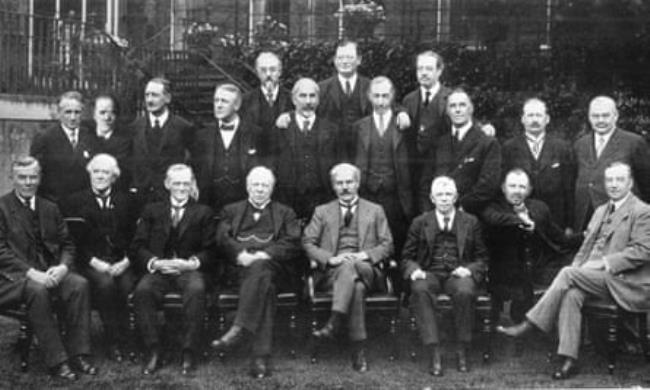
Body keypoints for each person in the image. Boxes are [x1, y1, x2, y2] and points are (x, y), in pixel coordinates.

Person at [497, 162, 650, 380]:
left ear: (631, 183)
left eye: (619, 180)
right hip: (597, 279)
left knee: (568, 274)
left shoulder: (642, 212)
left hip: (626, 282)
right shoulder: (600, 211)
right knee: (571, 293)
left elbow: (643, 251)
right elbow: (584, 249)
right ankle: (569, 359)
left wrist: (603, 262)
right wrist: (580, 267)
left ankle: (528, 324)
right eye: (609, 180)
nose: (614, 185)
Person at [0, 155, 97, 380]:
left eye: (33, 177)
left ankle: (80, 353)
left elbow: (67, 244)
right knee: (37, 289)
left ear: (40, 178)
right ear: (12, 178)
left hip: (49, 272)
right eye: (22, 177)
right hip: (10, 280)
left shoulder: (49, 208)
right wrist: (32, 273)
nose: (28, 182)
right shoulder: (2, 208)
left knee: (78, 284)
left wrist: (63, 267)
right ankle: (58, 361)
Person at [211, 166, 302, 378]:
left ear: (272, 188)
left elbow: (293, 243)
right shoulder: (230, 210)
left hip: (274, 268)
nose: (260, 189)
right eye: (256, 185)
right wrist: (240, 254)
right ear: (247, 186)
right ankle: (260, 357)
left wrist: (266, 254)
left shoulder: (285, 212)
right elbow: (221, 239)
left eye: (265, 185)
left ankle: (239, 328)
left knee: (263, 271)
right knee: (265, 287)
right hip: (238, 269)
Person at [302, 163, 393, 372]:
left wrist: (365, 255)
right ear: (333, 186)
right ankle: (358, 349)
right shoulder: (322, 211)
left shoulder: (375, 210)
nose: (345, 187)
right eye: (340, 183)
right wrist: (329, 258)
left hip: (367, 269)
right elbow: (307, 242)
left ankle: (334, 322)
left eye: (349, 182)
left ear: (358, 183)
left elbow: (388, 244)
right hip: (332, 272)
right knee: (356, 287)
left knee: (352, 266)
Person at [130, 164, 215, 376]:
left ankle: (189, 351)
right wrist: (155, 263)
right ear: (167, 184)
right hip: (159, 270)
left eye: (186, 183)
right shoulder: (152, 210)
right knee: (142, 291)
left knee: (196, 290)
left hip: (188, 270)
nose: (181, 188)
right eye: (176, 183)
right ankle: (154, 350)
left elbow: (211, 250)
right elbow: (137, 246)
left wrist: (191, 263)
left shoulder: (203, 212)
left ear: (192, 184)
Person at [401, 176, 488, 376]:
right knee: (420, 288)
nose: (444, 199)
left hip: (458, 273)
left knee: (465, 289)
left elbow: (482, 258)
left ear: (456, 197)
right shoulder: (420, 222)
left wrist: (469, 269)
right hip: (429, 272)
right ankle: (434, 350)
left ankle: (461, 348)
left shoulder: (470, 222)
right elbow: (406, 257)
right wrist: (414, 270)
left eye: (449, 194)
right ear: (432, 198)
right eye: (439, 195)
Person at [61, 154, 138, 362]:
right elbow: (73, 241)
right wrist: (96, 263)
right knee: (105, 285)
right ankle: (113, 341)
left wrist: (125, 262)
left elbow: (138, 238)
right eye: (96, 172)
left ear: (114, 177)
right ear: (89, 174)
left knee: (126, 285)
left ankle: (127, 340)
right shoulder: (75, 201)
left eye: (105, 173)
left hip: (122, 261)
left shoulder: (128, 201)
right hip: (91, 262)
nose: (100, 177)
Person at [482, 169, 578, 329]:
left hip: (538, 267)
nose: (517, 191)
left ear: (529, 190)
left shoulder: (539, 208)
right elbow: (494, 220)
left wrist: (586, 234)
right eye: (512, 186)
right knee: (520, 294)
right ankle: (519, 328)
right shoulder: (493, 208)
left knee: (568, 278)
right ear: (503, 188)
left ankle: (545, 333)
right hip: (504, 273)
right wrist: (522, 221)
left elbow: (560, 238)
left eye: (522, 187)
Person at [355, 76, 413, 258]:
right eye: (376, 96)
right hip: (367, 193)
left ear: (393, 96)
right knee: (369, 241)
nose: (380, 101)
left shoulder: (404, 125)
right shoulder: (358, 127)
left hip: (395, 196)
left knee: (396, 242)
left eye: (385, 96)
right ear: (369, 96)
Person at [573, 95, 650, 231]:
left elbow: (646, 184)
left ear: (615, 116)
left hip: (621, 217)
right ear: (589, 117)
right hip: (586, 217)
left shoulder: (634, 143)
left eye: (605, 115)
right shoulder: (580, 144)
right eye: (595, 116)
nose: (600, 120)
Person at [420, 88, 501, 214]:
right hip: (436, 214)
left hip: (470, 214)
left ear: (471, 109)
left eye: (462, 105)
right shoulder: (438, 143)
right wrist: (428, 212)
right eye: (453, 106)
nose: (457, 110)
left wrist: (461, 207)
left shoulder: (487, 143)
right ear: (447, 111)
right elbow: (426, 181)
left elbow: (487, 186)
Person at [502, 98, 576, 231]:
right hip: (519, 219)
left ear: (547, 119)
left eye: (538, 115)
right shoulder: (509, 148)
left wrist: (569, 224)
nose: (534, 120)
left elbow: (569, 189)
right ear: (523, 119)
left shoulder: (562, 148)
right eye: (530, 115)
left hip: (554, 220)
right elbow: (503, 188)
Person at [273, 77, 337, 221]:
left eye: (312, 96)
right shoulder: (281, 127)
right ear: (294, 99)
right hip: (289, 198)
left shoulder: (331, 129)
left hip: (321, 197)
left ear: (318, 99)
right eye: (303, 96)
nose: (308, 101)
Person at [191, 83, 261, 213]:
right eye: (216, 100)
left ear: (237, 105)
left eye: (224, 101)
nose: (218, 105)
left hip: (243, 205)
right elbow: (194, 167)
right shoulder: (202, 136)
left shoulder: (255, 134)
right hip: (210, 205)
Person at [130, 77, 195, 205]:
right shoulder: (135, 126)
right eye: (147, 95)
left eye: (154, 95)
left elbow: (194, 160)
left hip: (171, 196)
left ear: (167, 98)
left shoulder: (183, 127)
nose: (149, 100)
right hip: (141, 197)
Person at [30, 90, 96, 203]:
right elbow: (35, 175)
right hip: (54, 205)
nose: (73, 117)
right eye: (68, 112)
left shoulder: (91, 138)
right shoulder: (44, 138)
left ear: (83, 113)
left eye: (77, 112)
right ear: (59, 112)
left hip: (84, 206)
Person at [240, 51, 293, 161]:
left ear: (280, 72)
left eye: (272, 70)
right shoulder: (245, 101)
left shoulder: (292, 99)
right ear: (257, 73)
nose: (268, 74)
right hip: (257, 160)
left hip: (286, 160)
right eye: (263, 70)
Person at [88, 93, 133, 191]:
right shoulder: (85, 137)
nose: (107, 118)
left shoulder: (126, 141)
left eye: (112, 113)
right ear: (94, 115)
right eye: (102, 113)